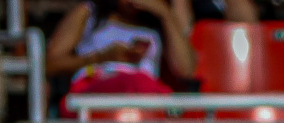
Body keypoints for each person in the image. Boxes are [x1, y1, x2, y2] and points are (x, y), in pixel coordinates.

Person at [46, 0, 198, 106]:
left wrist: (166, 13)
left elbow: (186, 70)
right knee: (132, 83)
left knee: (143, 86)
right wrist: (102, 57)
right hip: (94, 88)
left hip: (145, 94)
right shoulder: (89, 12)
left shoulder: (159, 22)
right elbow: (50, 64)